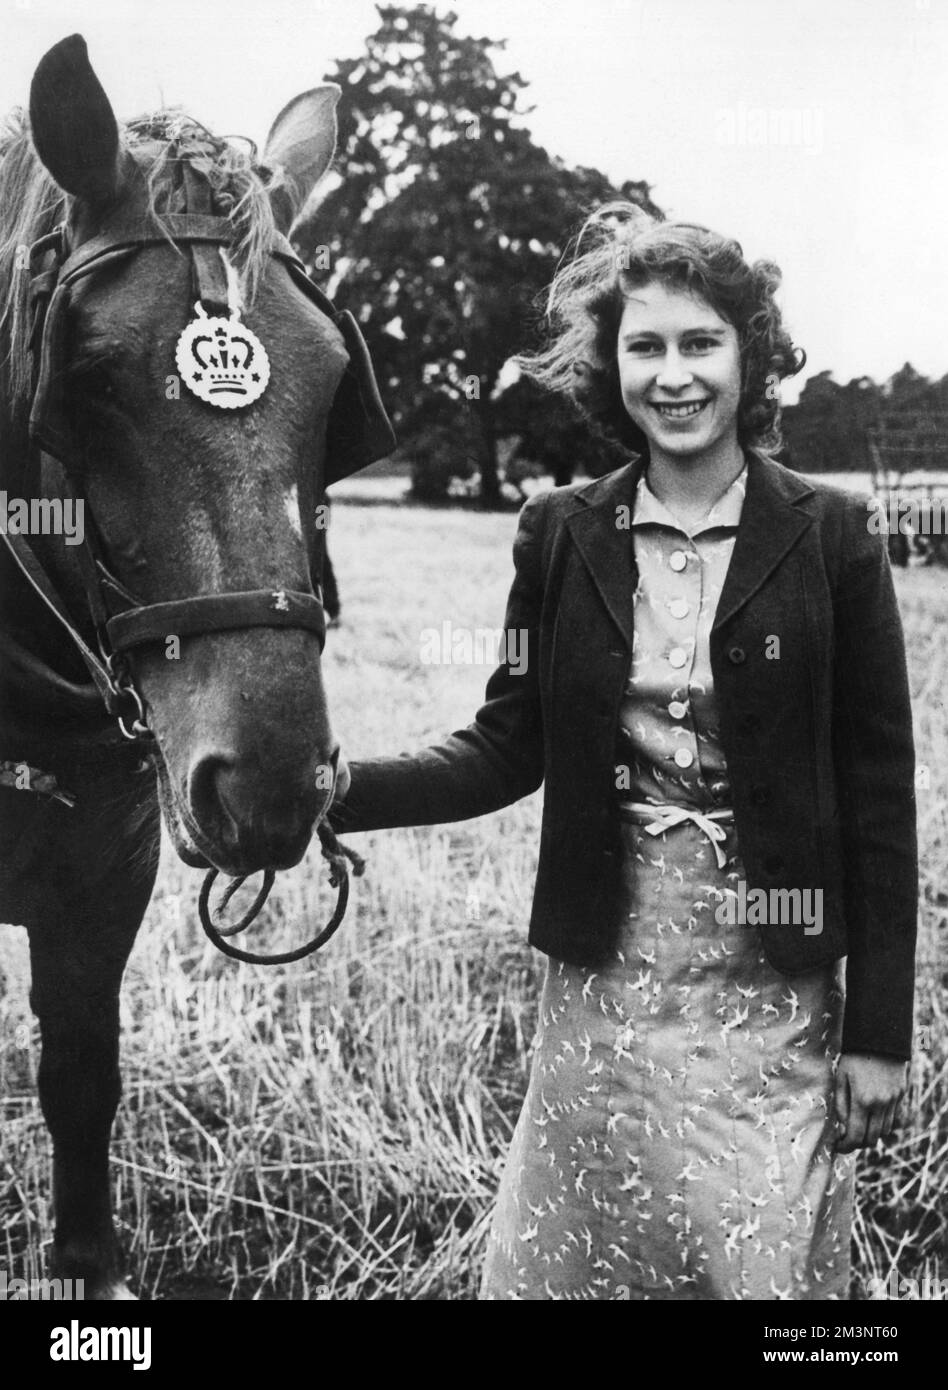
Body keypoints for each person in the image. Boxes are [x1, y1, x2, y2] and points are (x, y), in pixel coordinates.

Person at [329, 205, 918, 1300]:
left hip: (772, 992)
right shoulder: (559, 533)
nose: (675, 374)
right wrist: (337, 789)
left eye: (702, 342)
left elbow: (882, 798)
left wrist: (882, 1032)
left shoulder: (833, 537)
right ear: (613, 367)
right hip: (603, 989)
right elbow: (505, 744)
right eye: (645, 346)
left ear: (752, 356)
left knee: (763, 1266)